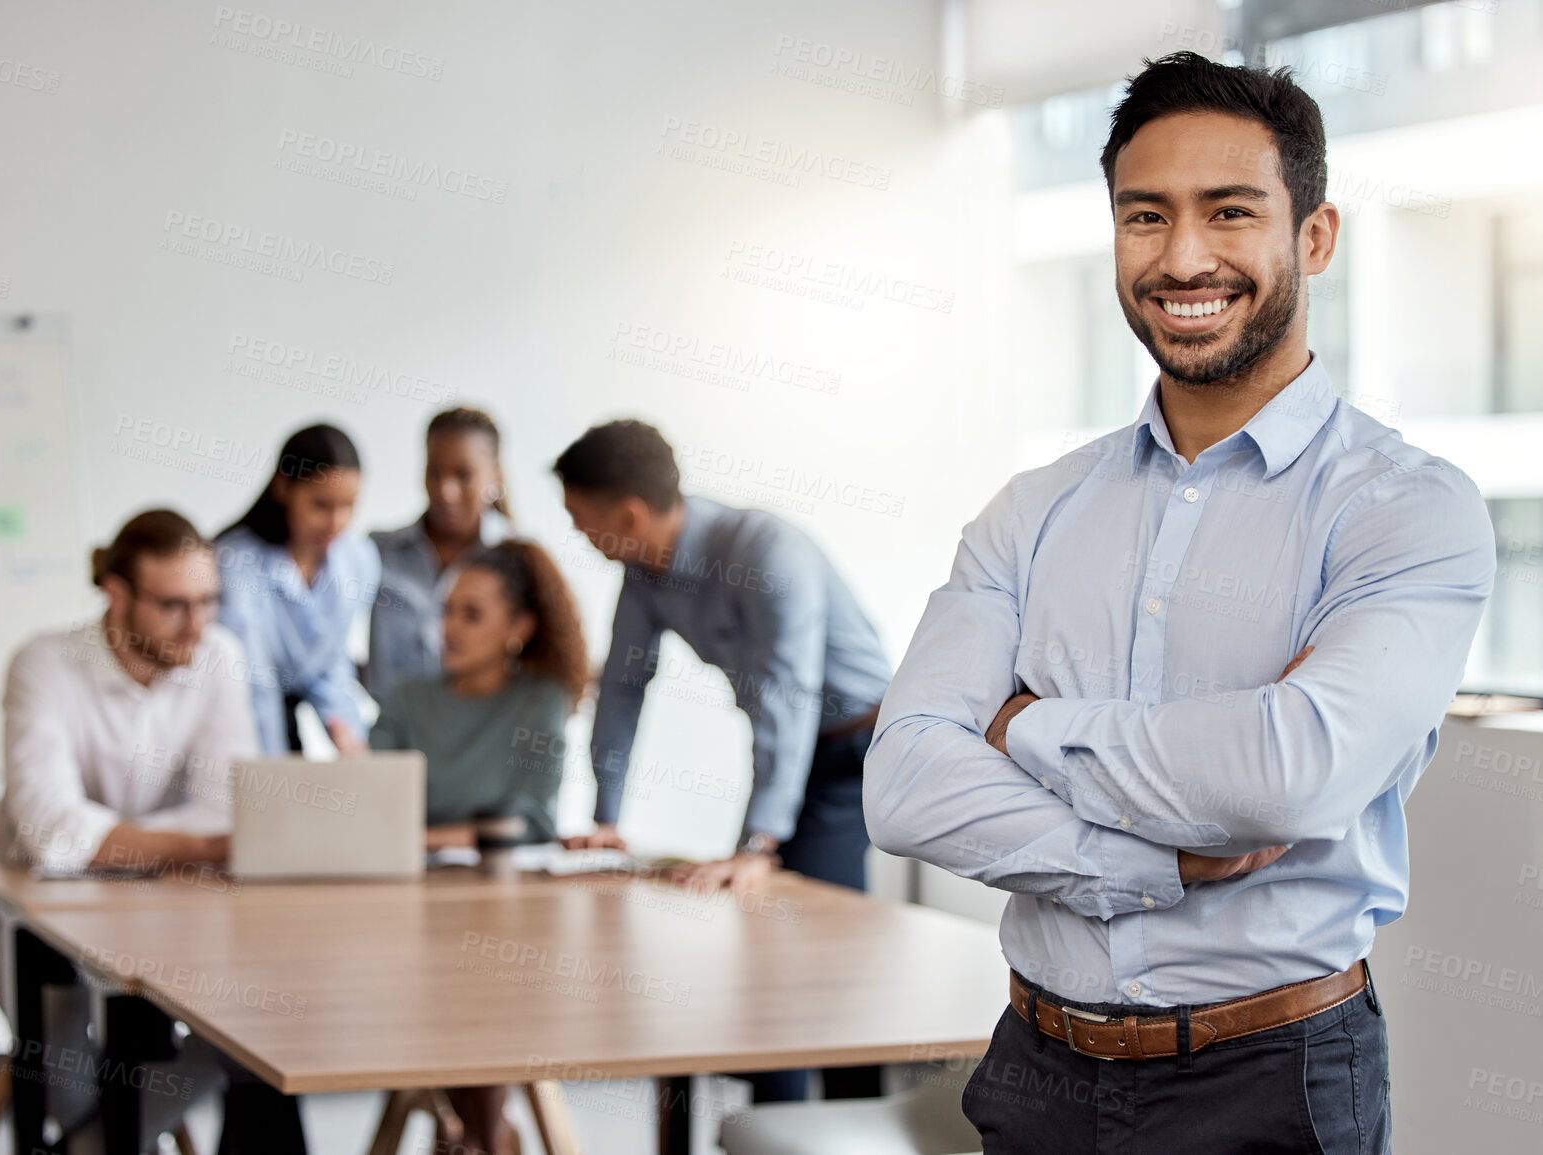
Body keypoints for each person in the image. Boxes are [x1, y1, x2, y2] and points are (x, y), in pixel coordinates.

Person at [865, 52, 1496, 1154]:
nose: (1183, 257)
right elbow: (907, 785)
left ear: (1315, 236)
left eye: (1231, 212)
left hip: (1273, 1081)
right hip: (1035, 1071)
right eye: (1145, 216)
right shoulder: (1035, 509)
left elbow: (1284, 776)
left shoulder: (1410, 511)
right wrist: (1155, 858)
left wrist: (1022, 727)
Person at [554, 419, 892, 1102]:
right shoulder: (644, 577)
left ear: (627, 514)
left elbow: (786, 697)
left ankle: (843, 1117)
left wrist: (757, 842)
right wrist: (605, 818)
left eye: (579, 520)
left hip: (856, 747)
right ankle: (775, 1127)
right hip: (791, 748)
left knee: (813, 937)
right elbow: (620, 690)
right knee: (765, 938)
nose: (578, 536)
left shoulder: (765, 550)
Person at [0, 509, 307, 1154]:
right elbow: (51, 830)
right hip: (19, 916)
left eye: (209, 601)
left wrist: (125, 844)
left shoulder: (218, 657)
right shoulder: (44, 665)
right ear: (116, 592)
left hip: (159, 911)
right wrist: (196, 847)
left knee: (255, 1034)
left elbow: (224, 810)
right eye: (174, 605)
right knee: (66, 1083)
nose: (197, 625)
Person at [369, 539, 589, 1155]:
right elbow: (373, 804)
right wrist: (467, 833)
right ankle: (481, 1136)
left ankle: (475, 1135)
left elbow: (534, 818)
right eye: (447, 611)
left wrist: (424, 835)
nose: (449, 629)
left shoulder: (539, 702)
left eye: (472, 614)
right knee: (455, 984)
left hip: (508, 916)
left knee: (488, 979)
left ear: (518, 628)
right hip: (410, 913)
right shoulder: (407, 700)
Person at [215, 423, 380, 755]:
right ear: (283, 488)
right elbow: (253, 681)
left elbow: (330, 659)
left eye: (348, 505)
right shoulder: (235, 563)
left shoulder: (358, 559)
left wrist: (349, 737)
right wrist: (271, 776)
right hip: (240, 718)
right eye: (321, 504)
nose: (336, 521)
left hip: (290, 715)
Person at [363, 407, 516, 705]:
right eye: (435, 472)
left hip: (484, 736)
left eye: (463, 475)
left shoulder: (518, 557)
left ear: (495, 474)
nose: (446, 491)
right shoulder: (379, 552)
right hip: (395, 737)